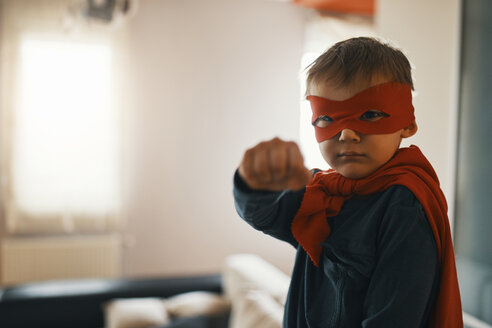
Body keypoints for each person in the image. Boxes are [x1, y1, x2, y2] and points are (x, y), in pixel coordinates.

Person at [233, 37, 463, 327]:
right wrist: (252, 182)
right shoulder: (320, 189)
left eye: (370, 114)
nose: (346, 135)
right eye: (327, 118)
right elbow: (262, 214)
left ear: (407, 123)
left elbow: (393, 318)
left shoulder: (404, 205)